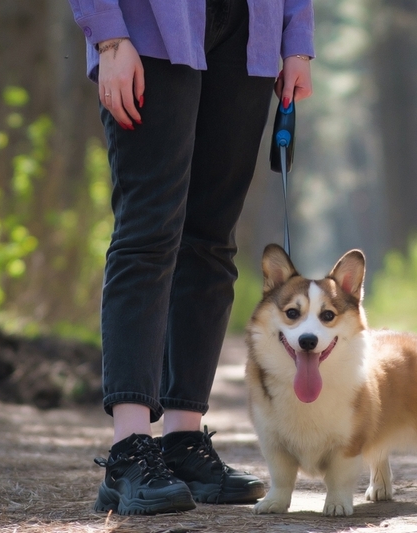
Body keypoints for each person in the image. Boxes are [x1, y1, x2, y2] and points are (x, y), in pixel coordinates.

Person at [65, 0, 314, 516]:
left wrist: (296, 39)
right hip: (148, 25)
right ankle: (129, 450)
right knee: (148, 232)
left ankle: (183, 440)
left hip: (250, 31)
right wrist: (108, 38)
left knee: (212, 240)